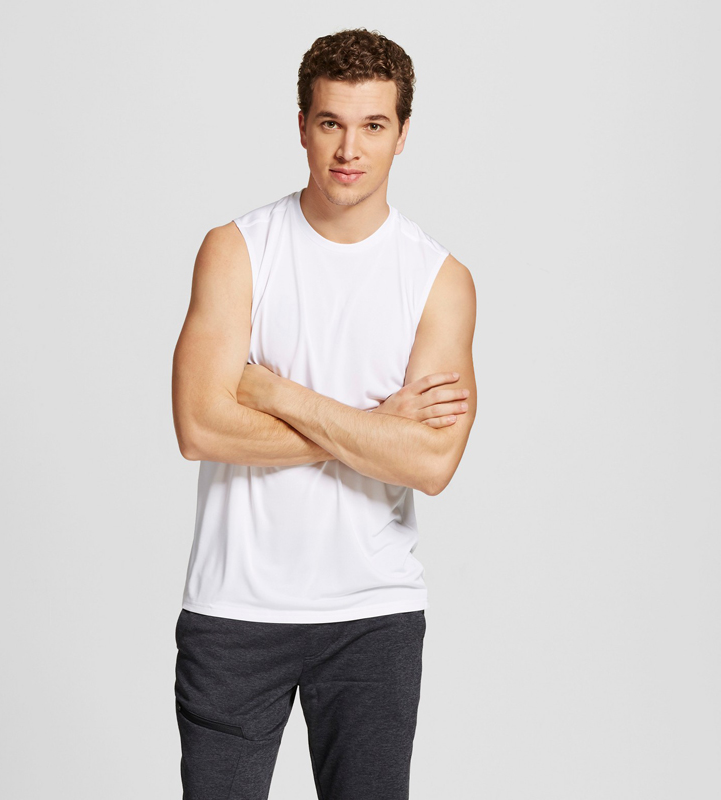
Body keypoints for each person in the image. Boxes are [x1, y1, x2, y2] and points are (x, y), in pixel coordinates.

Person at [170, 27, 477, 800]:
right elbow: (200, 427)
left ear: (402, 134)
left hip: (374, 613)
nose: (349, 148)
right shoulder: (236, 251)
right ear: (302, 125)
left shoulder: (438, 280)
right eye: (331, 122)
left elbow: (431, 462)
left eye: (373, 125)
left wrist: (277, 393)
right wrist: (377, 426)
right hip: (234, 610)